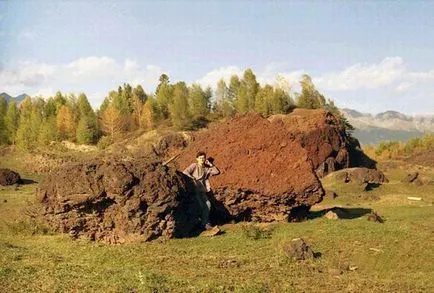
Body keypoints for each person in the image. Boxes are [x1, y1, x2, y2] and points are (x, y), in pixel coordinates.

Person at [183, 151, 220, 230]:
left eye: (203, 158)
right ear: (197, 159)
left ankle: (205, 223)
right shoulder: (194, 165)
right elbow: (185, 172)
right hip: (194, 189)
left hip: (202, 189)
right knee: (201, 206)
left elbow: (216, 172)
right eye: (200, 158)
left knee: (208, 204)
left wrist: (211, 164)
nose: (202, 159)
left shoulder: (206, 168)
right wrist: (192, 178)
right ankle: (204, 223)